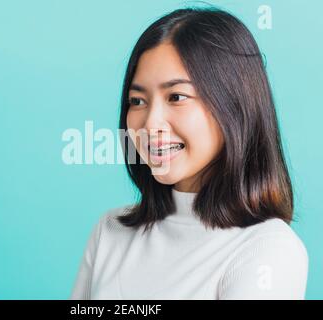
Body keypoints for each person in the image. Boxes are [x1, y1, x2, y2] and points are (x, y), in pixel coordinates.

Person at [70, 6, 308, 300]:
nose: (150, 123)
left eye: (177, 97)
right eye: (137, 100)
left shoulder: (268, 249)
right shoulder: (109, 230)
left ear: (234, 106)